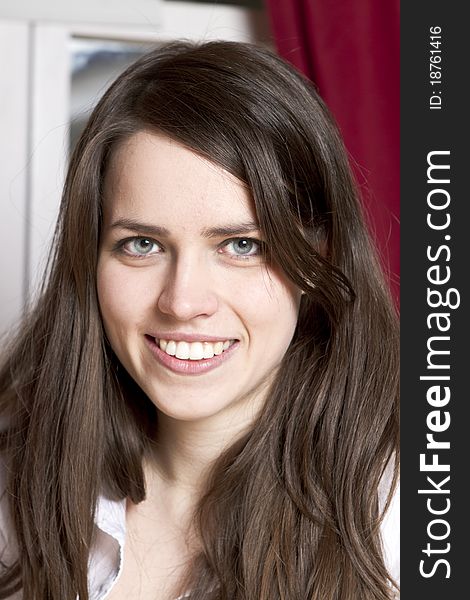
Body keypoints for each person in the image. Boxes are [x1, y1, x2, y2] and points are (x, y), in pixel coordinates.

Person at [0, 40, 399, 600]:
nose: (182, 302)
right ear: (88, 260)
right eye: (141, 244)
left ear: (320, 258)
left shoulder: (412, 526)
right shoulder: (15, 491)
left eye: (241, 245)